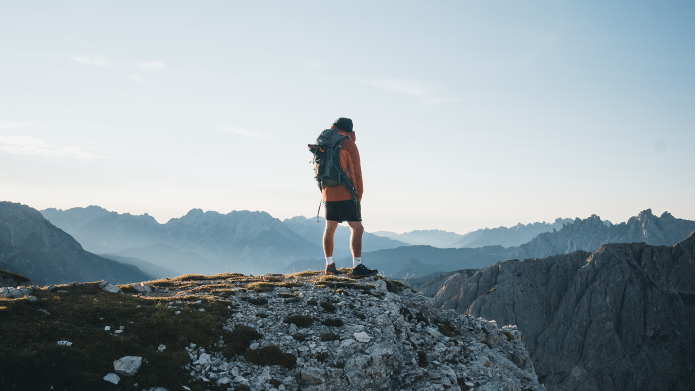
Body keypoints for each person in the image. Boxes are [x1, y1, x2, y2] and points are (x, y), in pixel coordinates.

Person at [322, 117, 379, 278]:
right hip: (346, 192)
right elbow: (356, 172)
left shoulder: (325, 142)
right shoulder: (348, 144)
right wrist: (358, 194)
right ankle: (357, 267)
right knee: (357, 228)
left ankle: (329, 266)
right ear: (349, 129)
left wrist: (325, 191)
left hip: (327, 192)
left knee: (329, 228)